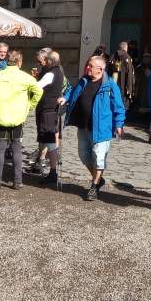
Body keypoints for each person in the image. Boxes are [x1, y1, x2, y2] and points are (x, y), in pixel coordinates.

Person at [0, 50, 43, 190]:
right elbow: (39, 91)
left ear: (7, 61)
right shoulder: (25, 77)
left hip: (0, 115)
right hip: (18, 116)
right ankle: (17, 181)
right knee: (16, 147)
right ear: (19, 62)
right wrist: (30, 105)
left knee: (0, 147)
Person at [65, 55, 125, 201]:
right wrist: (64, 98)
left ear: (100, 69)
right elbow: (73, 93)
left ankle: (94, 186)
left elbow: (119, 107)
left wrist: (119, 125)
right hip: (83, 126)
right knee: (84, 156)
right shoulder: (84, 80)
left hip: (102, 129)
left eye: (91, 66)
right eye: (88, 65)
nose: (88, 68)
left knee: (99, 158)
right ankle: (98, 179)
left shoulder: (110, 85)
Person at [34, 50, 67, 186]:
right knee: (46, 138)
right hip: (52, 109)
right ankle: (41, 162)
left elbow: (36, 87)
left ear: (49, 61)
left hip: (47, 109)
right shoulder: (59, 72)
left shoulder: (50, 74)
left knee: (49, 140)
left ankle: (53, 172)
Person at [108, 41, 134, 111]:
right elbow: (129, 73)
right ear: (125, 48)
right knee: (122, 99)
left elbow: (109, 70)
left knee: (113, 96)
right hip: (124, 82)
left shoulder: (112, 56)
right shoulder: (127, 57)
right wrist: (130, 85)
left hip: (113, 81)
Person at [137, 45, 151, 112]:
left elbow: (144, 69)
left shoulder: (145, 59)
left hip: (145, 79)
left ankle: (144, 107)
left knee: (144, 93)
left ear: (146, 50)